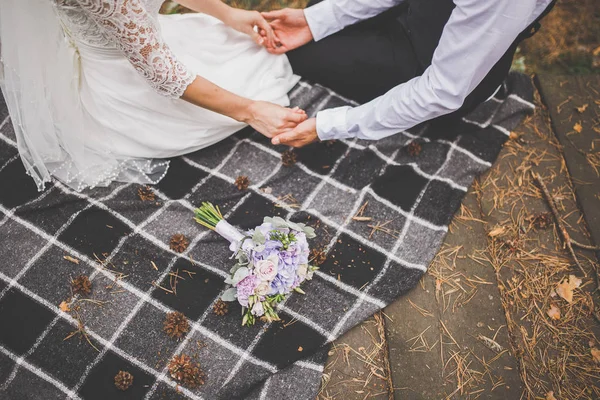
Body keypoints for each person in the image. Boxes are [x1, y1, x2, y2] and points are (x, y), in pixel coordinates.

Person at [0, 0, 305, 191]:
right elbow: (162, 74)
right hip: (132, 86)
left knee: (254, 56)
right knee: (258, 83)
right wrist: (250, 110)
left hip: (158, 41)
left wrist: (228, 15)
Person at [262, 0, 556, 147]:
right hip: (413, 13)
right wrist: (317, 20)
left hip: (428, 66)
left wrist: (330, 125)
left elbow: (441, 90)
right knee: (315, 14)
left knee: (303, 55)